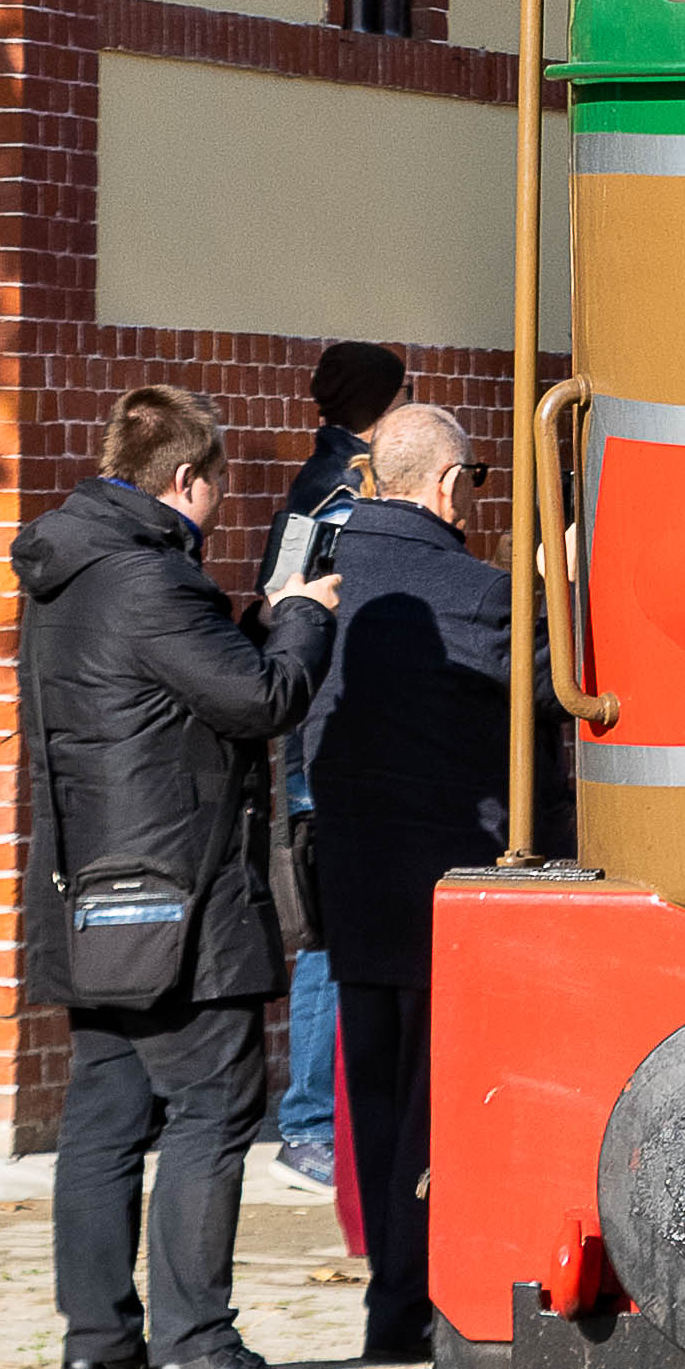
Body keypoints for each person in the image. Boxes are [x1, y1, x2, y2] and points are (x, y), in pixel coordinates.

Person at [14, 386, 320, 1369]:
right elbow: (261, 701)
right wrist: (301, 626)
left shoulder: (68, 571)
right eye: (218, 487)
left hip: (94, 891)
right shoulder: (152, 582)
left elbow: (160, 693)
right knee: (212, 1106)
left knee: (103, 1114)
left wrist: (245, 625)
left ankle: (97, 1340)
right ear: (188, 481)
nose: (220, 507)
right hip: (182, 897)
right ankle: (197, 1342)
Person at [267, 394, 542, 1369]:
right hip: (449, 889)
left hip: (349, 878)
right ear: (450, 484)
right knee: (435, 1110)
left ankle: (389, 1303)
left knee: (376, 1099)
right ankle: (413, 1300)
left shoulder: (318, 581)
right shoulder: (483, 594)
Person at [254, 339, 407, 1191]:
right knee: (331, 938)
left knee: (330, 933)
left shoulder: (309, 487)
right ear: (382, 407)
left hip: (313, 724)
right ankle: (310, 1123)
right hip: (339, 733)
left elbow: (273, 597)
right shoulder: (352, 492)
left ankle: (320, 1119)